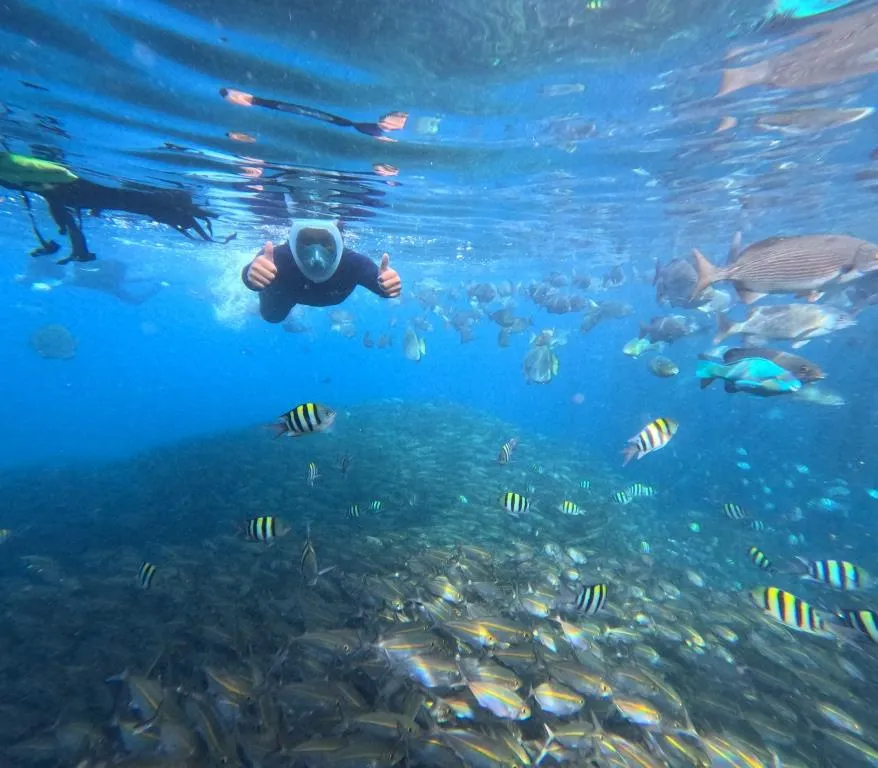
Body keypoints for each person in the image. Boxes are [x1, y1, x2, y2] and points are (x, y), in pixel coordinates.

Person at [241, 219, 402, 323]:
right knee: (272, 317)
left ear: (339, 242)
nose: (316, 256)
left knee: (272, 316)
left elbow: (379, 282)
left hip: (291, 293)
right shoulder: (277, 257)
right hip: (284, 296)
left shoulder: (354, 263)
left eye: (326, 243)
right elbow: (253, 273)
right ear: (293, 242)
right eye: (307, 242)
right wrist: (252, 276)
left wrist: (388, 285)